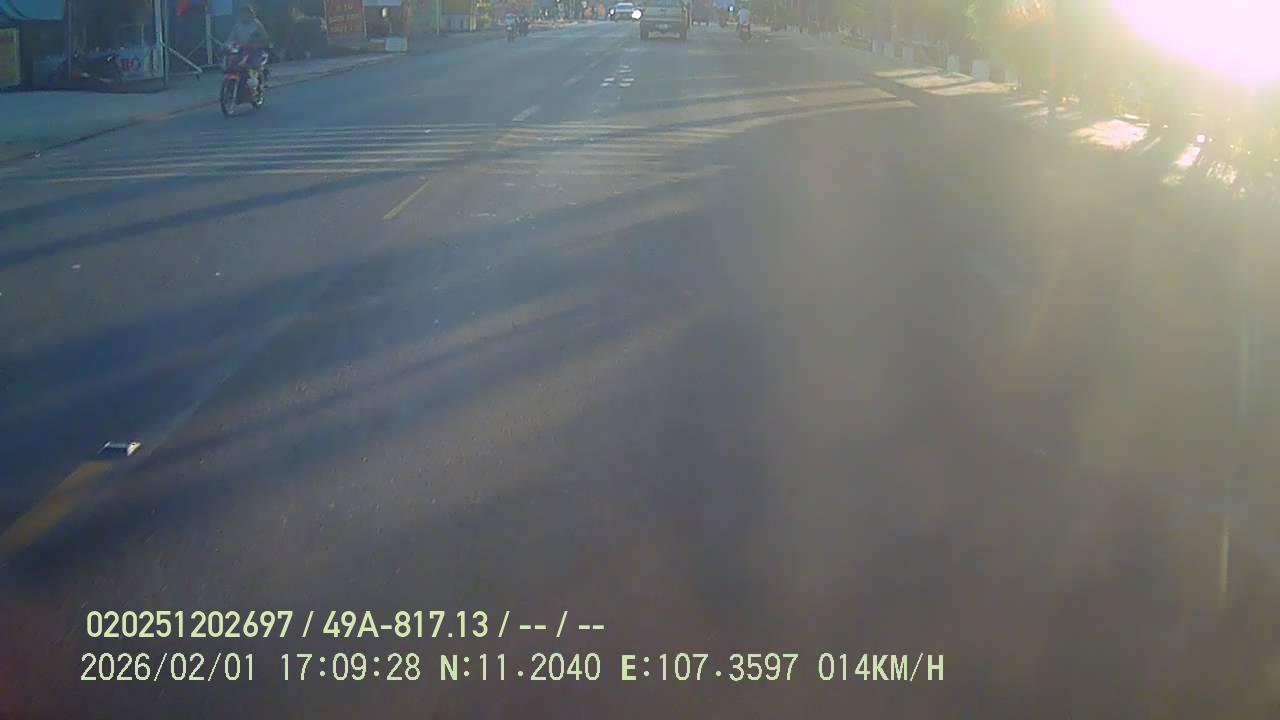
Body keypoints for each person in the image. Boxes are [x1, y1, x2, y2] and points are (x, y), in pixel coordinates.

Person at [226, 5, 271, 82]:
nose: (244, 15)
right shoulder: (237, 25)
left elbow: (265, 38)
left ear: (251, 14)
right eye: (242, 13)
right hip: (241, 51)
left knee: (254, 66)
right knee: (232, 63)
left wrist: (259, 44)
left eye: (246, 13)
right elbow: (231, 38)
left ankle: (259, 82)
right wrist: (227, 45)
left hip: (255, 51)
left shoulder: (256, 24)